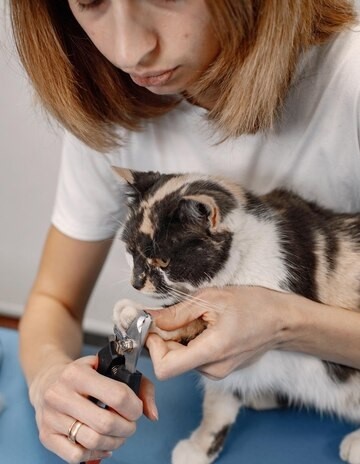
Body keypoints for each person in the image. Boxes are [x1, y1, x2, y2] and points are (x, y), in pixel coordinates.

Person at [9, 0, 360, 462]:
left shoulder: (348, 78)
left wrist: (282, 323)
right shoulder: (111, 106)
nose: (129, 51)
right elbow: (55, 301)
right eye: (90, 2)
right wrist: (49, 380)